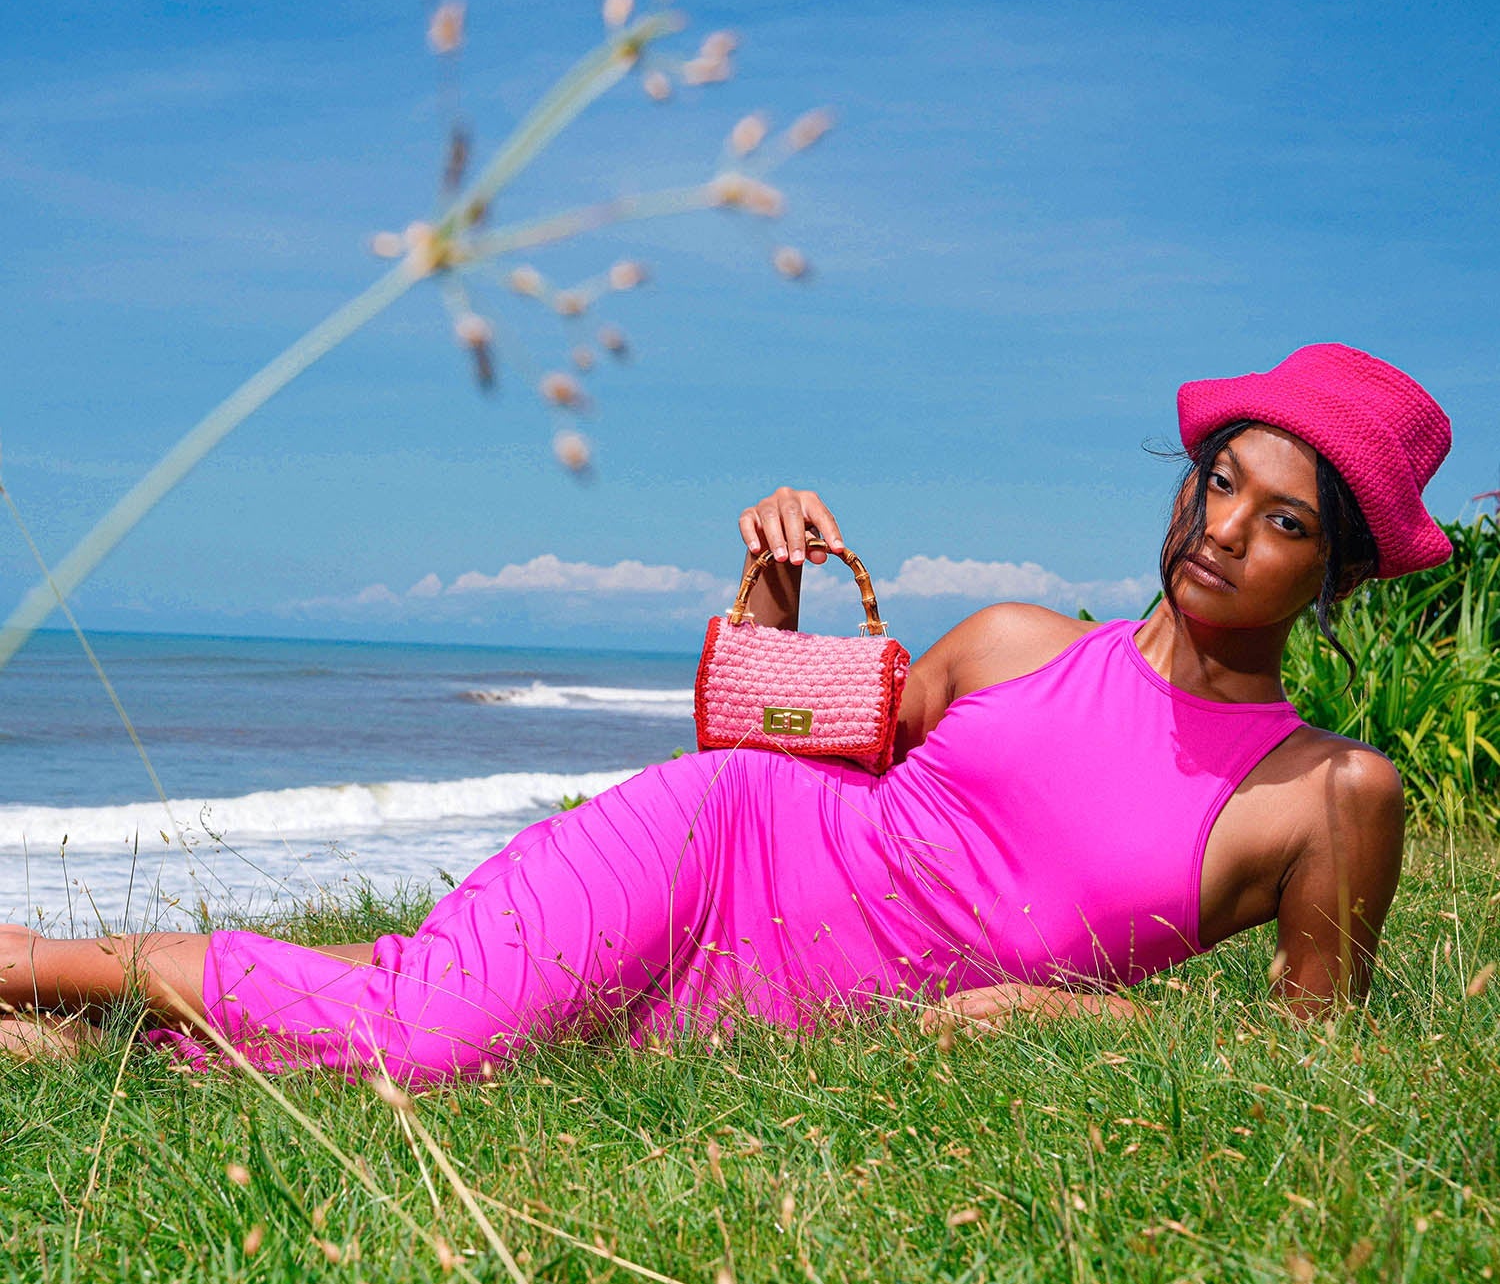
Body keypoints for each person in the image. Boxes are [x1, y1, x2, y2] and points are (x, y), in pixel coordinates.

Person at [0, 343, 1455, 1077]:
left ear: (1335, 568)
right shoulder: (1022, 641)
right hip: (714, 853)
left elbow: (1304, 1052)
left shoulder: (1331, 796)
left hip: (791, 1009)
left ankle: (108, 1037)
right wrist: (770, 586)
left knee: (475, 1064)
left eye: (1281, 521)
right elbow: (758, 747)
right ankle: (37, 959)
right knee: (430, 1037)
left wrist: (1070, 1022)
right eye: (1219, 483)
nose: (1222, 530)